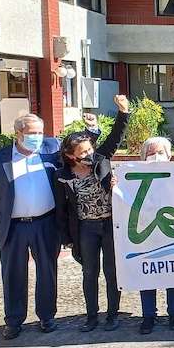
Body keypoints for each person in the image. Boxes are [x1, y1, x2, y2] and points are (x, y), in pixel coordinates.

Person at [0, 112, 65, 339]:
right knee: (13, 274)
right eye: (31, 133)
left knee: (48, 272)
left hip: (46, 223)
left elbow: (83, 149)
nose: (37, 137)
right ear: (18, 133)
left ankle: (47, 317)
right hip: (13, 227)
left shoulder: (52, 149)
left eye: (39, 133)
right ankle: (14, 320)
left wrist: (93, 129)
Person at [55, 101, 130, 333]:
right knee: (89, 273)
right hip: (85, 228)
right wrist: (66, 237)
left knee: (111, 271)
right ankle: (91, 316)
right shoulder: (62, 176)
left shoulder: (102, 158)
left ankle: (112, 314)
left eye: (89, 150)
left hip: (109, 224)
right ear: (70, 156)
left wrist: (123, 112)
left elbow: (116, 136)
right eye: (82, 152)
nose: (88, 154)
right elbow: (62, 209)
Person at [137, 137, 174, 334]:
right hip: (144, 232)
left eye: (160, 153)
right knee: (146, 272)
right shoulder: (133, 176)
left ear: (169, 155)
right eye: (151, 153)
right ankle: (148, 314)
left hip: (172, 231)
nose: (156, 157)